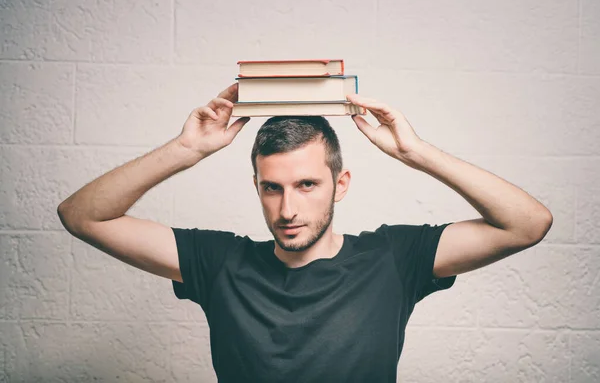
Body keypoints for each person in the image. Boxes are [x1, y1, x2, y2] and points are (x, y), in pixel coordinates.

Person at [57, 82, 553, 382]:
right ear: (255, 185)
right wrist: (186, 151)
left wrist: (415, 152)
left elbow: (527, 224)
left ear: (341, 185)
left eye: (307, 185)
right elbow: (82, 216)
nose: (287, 208)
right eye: (271, 187)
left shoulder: (395, 257)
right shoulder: (219, 261)